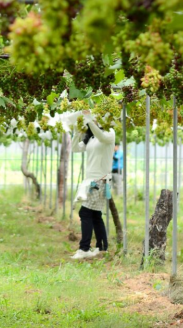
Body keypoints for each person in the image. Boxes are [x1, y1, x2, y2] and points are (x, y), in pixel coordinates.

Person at [69, 110, 116, 260]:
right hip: (91, 180)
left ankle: (84, 249)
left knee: (85, 212)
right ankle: (101, 248)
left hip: (99, 180)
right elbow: (75, 148)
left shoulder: (109, 133)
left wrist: (88, 119)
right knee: (95, 214)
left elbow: (102, 136)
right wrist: (77, 130)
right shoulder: (92, 137)